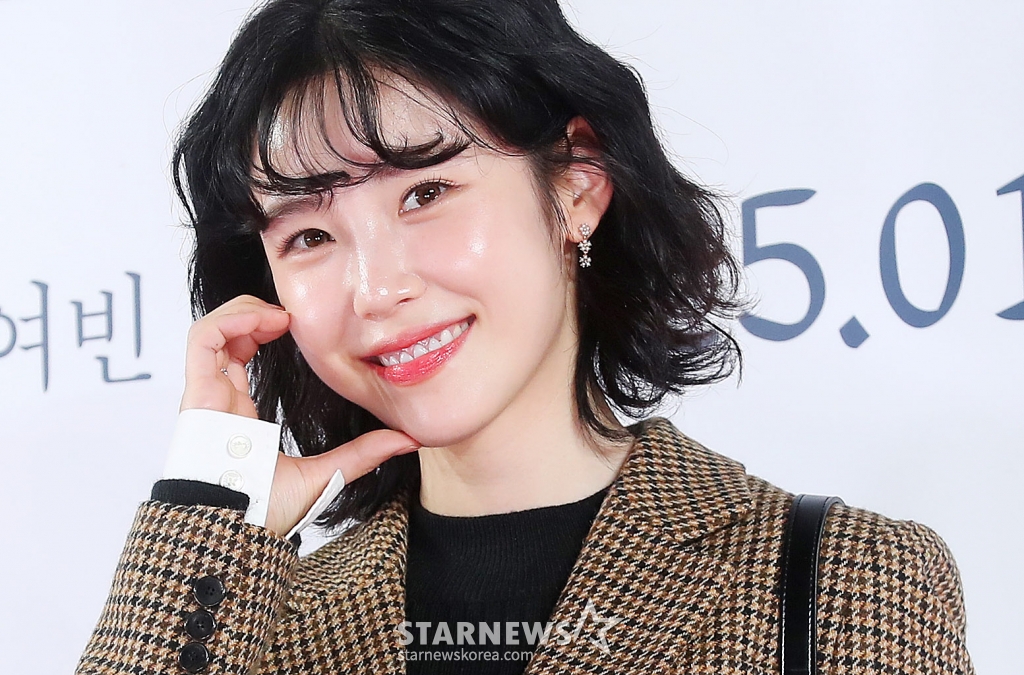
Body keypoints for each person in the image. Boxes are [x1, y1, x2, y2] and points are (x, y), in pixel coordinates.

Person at [76, 1, 973, 673]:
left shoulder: (845, 581)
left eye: (425, 192)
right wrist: (207, 507)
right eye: (309, 236)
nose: (377, 288)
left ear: (578, 183)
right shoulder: (247, 622)